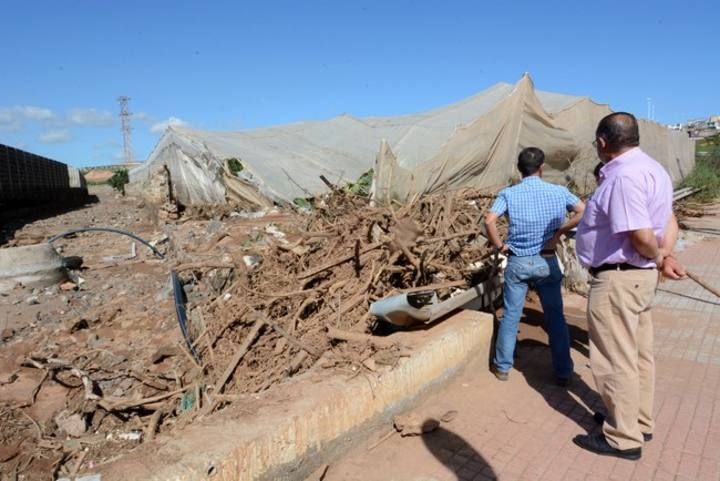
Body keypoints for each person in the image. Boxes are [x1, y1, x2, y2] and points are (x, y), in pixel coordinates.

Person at [573, 112, 677, 461]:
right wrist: (664, 255)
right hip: (640, 278)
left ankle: (622, 437)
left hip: (619, 278)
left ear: (603, 142)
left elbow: (640, 233)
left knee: (615, 360)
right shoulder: (654, 170)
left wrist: (658, 254)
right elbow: (669, 219)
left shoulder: (623, 177)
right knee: (638, 355)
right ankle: (637, 420)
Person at [484, 147, 586, 385]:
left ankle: (502, 367)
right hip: (546, 260)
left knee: (510, 315)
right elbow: (583, 211)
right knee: (555, 318)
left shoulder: (509, 193)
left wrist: (500, 246)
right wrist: (560, 231)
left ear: (520, 170)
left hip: (518, 261)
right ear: (542, 168)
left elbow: (489, 220)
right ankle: (563, 372)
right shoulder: (559, 192)